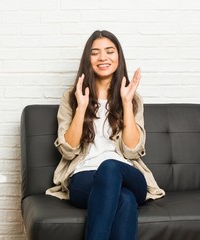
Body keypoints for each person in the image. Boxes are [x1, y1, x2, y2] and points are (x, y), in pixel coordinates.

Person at [45, 30, 165, 240]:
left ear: (118, 56)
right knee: (125, 200)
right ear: (87, 59)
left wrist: (126, 103)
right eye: (95, 53)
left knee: (110, 166)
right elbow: (68, 150)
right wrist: (81, 107)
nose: (103, 58)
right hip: (84, 178)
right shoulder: (71, 98)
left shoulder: (132, 98)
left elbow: (132, 149)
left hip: (128, 174)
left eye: (110, 51)